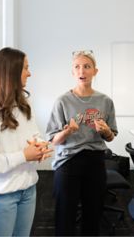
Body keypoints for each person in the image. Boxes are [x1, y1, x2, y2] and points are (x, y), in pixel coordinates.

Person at [0, 47, 52, 237]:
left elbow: (34, 135)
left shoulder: (23, 104)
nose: (29, 73)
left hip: (28, 190)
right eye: (25, 68)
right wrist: (24, 155)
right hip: (0, 198)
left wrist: (40, 146)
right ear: (11, 72)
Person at [46, 50, 118, 236]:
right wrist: (68, 130)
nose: (82, 71)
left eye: (87, 66)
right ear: (72, 72)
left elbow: (111, 137)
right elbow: (53, 139)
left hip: (95, 160)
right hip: (68, 161)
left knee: (93, 215)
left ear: (95, 71)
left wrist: (106, 131)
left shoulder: (105, 101)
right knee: (65, 216)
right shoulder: (62, 101)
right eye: (77, 67)